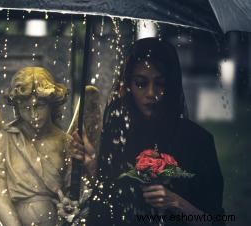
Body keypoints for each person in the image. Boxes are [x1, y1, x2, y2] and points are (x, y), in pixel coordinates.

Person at [71, 37, 225, 226]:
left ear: (171, 85)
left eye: (160, 83)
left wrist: (176, 202)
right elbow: (109, 206)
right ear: (128, 85)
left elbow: (215, 222)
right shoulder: (119, 134)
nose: (151, 93)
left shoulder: (197, 142)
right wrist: (93, 164)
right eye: (141, 83)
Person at [0, 67, 72, 226]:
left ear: (51, 104)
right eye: (26, 108)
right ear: (17, 108)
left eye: (39, 106)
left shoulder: (65, 142)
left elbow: (74, 193)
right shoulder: (5, 140)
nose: (34, 115)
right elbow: (0, 197)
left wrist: (69, 207)